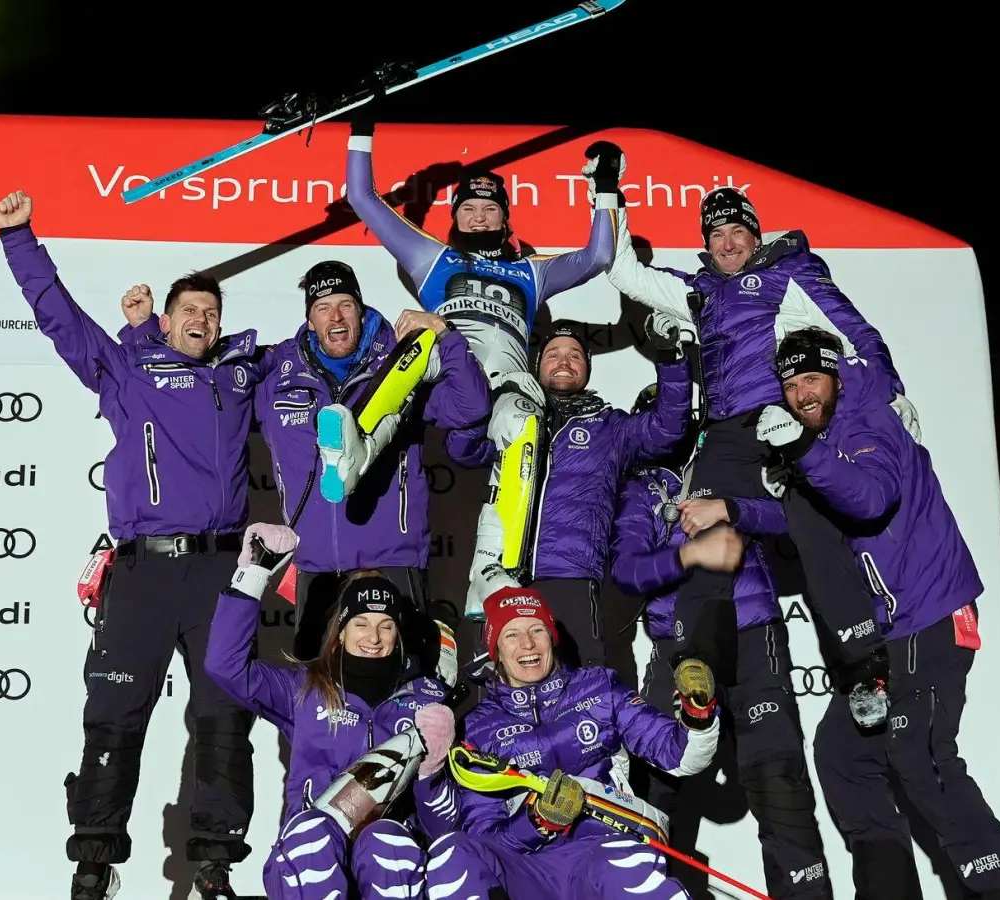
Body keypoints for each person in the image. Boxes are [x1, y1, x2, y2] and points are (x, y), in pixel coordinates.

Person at [0, 190, 262, 900]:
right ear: (165, 321)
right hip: (143, 571)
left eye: (212, 313)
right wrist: (19, 236)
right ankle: (94, 860)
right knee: (114, 716)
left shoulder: (242, 376)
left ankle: (215, 864)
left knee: (223, 715)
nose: (202, 320)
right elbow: (61, 320)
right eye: (190, 312)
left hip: (221, 572)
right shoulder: (127, 372)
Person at [594, 140, 917, 727]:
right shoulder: (700, 290)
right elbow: (621, 270)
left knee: (816, 533)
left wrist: (890, 392)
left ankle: (864, 671)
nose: (727, 243)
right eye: (715, 235)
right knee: (708, 528)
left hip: (783, 420)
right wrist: (608, 191)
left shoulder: (788, 274)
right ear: (706, 244)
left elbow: (853, 331)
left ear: (754, 233)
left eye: (737, 231)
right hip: (725, 433)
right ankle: (698, 665)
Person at [757, 327, 1000, 900]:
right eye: (790, 384)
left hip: (929, 616)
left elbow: (869, 497)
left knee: (923, 757)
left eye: (811, 378)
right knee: (843, 753)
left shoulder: (869, 422)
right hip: (890, 633)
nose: (801, 393)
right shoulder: (827, 435)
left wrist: (805, 455)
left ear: (836, 377)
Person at [119, 261, 490, 687]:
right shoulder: (275, 372)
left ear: (360, 308)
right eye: (323, 307)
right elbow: (193, 384)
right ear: (309, 319)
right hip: (315, 572)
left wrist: (443, 333)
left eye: (346, 305)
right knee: (320, 710)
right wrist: (145, 332)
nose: (336, 317)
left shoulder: (400, 361)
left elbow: (472, 407)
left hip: (392, 563)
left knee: (403, 703)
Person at [334, 85, 620, 619]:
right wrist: (363, 126)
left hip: (502, 387)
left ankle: (492, 569)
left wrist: (604, 187)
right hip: (446, 372)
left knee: (525, 421)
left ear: (506, 219)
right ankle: (359, 448)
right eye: (470, 208)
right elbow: (362, 199)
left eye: (491, 209)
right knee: (421, 338)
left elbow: (599, 255)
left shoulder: (531, 272)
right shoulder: (430, 256)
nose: (481, 218)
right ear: (455, 216)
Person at [612, 386, 834, 898]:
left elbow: (795, 519)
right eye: (655, 424)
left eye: (677, 424)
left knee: (780, 784)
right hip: (678, 649)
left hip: (753, 634)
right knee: (654, 794)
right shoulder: (641, 491)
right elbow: (627, 571)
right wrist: (692, 557)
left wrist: (731, 508)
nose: (667, 433)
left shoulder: (732, 466)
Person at [419, 585, 728, 900]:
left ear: (552, 637)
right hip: (527, 868)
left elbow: (679, 756)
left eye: (537, 629)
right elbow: (484, 834)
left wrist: (696, 713)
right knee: (453, 851)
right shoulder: (479, 727)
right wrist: (538, 821)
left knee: (625, 864)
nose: (527, 644)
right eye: (511, 634)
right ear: (496, 649)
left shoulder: (599, 688)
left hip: (600, 851)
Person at [204, 523, 458, 900]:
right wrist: (255, 572)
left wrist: (433, 771)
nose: (373, 637)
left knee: (387, 838)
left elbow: (446, 826)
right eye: (361, 623)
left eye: (385, 625)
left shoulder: (425, 701)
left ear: (398, 634)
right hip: (311, 857)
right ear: (340, 631)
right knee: (315, 832)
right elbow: (225, 665)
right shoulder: (305, 688)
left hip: (390, 863)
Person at [445, 322, 691, 668]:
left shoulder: (611, 428)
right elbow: (463, 449)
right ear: (537, 365)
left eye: (575, 356)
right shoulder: (514, 412)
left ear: (587, 369)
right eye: (553, 354)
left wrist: (670, 357)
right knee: (503, 687)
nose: (564, 362)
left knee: (581, 688)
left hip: (570, 576)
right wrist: (492, 402)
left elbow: (667, 429)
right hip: (501, 573)